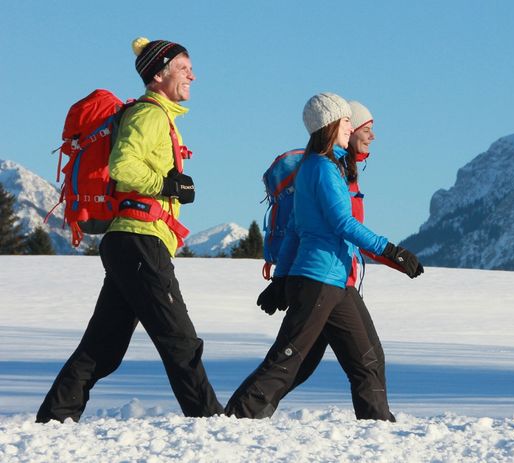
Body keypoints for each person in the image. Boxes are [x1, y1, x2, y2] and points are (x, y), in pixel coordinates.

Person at [36, 37, 223, 423]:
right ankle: (208, 421)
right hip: (140, 241)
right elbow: (123, 166)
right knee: (180, 340)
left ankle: (54, 420)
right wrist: (169, 185)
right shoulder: (149, 115)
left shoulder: (159, 116)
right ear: (158, 74)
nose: (193, 75)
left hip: (133, 242)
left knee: (102, 347)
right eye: (184, 68)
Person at [226, 93, 423, 420]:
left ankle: (378, 428)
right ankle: (237, 418)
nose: (351, 127)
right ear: (330, 124)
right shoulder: (321, 168)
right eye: (347, 120)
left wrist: (282, 278)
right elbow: (342, 223)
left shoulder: (323, 166)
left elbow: (293, 229)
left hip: (334, 281)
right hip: (320, 278)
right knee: (288, 361)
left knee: (368, 359)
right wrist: (391, 250)